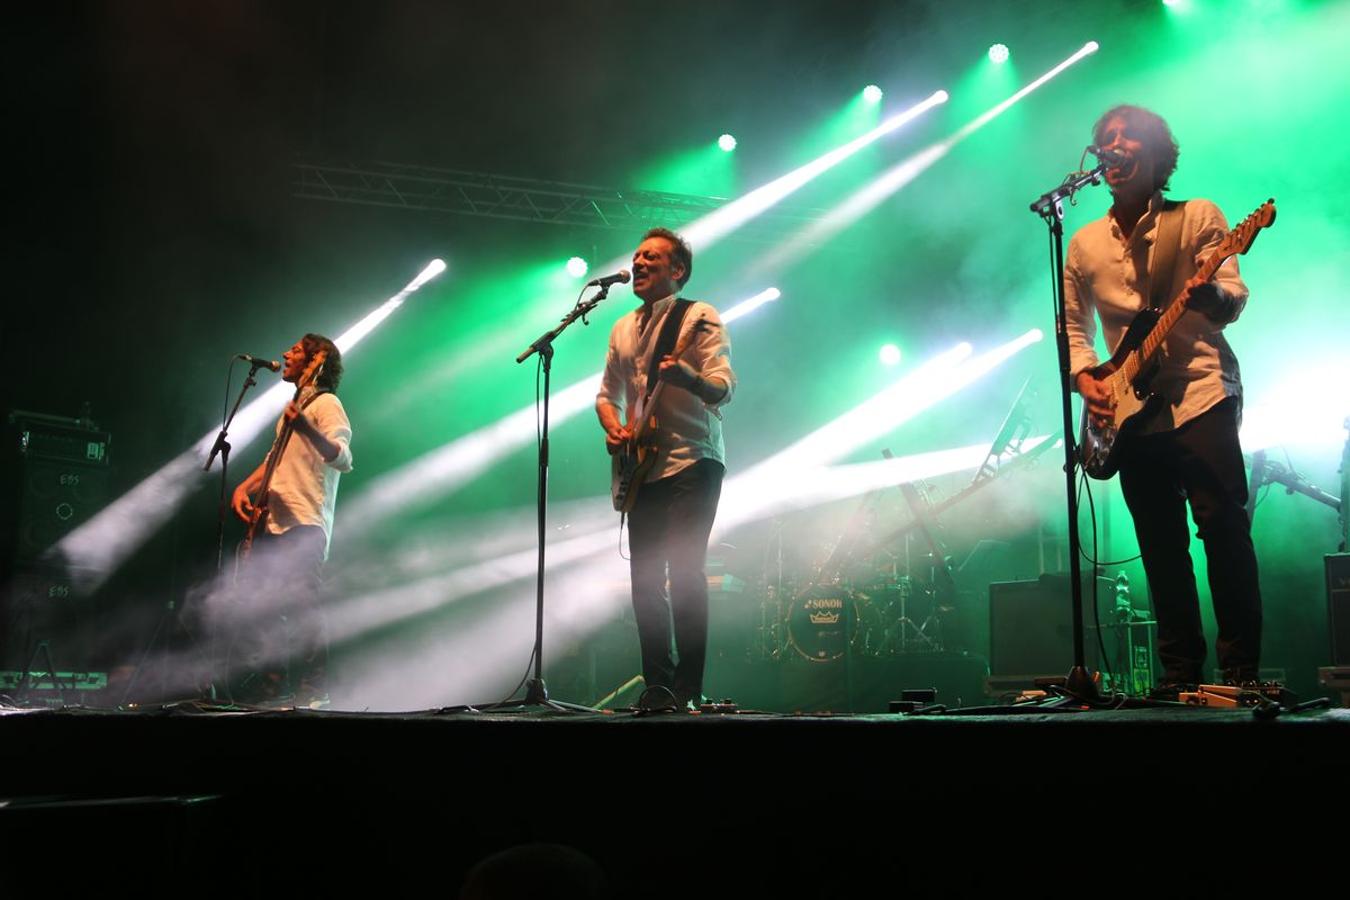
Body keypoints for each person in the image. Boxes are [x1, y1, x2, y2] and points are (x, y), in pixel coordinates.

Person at [1065, 105, 1262, 692]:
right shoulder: (1083, 244)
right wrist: (1089, 383)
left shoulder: (1198, 217)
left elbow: (1233, 295)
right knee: (1159, 545)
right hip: (1130, 415)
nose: (1114, 146)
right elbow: (1075, 329)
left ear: (1156, 154)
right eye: (1105, 140)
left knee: (1223, 529)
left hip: (1201, 391)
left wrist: (1206, 296)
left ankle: (1241, 671)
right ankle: (1179, 672)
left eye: (1127, 138)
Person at [596, 227, 735, 710]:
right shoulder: (621, 329)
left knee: (685, 570)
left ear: (676, 270)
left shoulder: (698, 316)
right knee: (645, 579)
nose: (637, 262)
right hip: (643, 468)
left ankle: (687, 689)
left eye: (650, 256)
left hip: (693, 459)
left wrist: (688, 377)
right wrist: (614, 427)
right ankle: (657, 686)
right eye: (635, 255)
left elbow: (722, 388)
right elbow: (606, 395)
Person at [229, 333, 352, 705]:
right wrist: (244, 488)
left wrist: (305, 427)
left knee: (302, 610)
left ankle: (314, 690)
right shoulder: (295, 406)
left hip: (304, 521)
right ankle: (271, 688)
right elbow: (275, 459)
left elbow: (342, 457)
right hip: (274, 521)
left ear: (318, 360)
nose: (285, 353)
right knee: (267, 611)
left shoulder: (327, 403)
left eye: (296, 350)